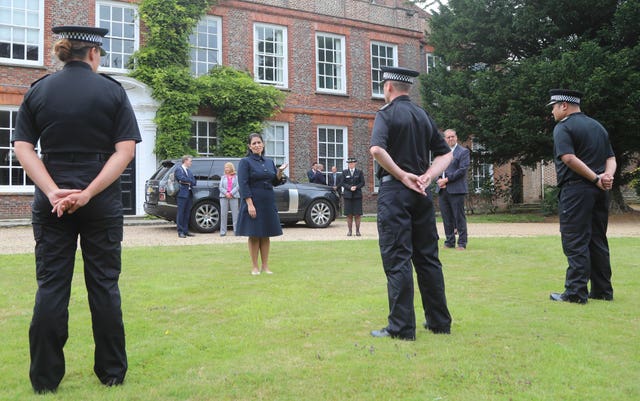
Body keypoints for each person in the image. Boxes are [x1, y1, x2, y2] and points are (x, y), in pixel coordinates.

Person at [11, 25, 141, 393]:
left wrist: (53, 192)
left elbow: (23, 148)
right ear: (94, 54)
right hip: (100, 201)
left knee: (51, 287)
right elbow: (125, 151)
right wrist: (88, 193)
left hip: (51, 201)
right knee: (103, 285)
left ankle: (44, 380)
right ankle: (112, 374)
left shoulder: (38, 90)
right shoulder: (113, 92)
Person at [369, 66, 453, 340]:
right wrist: (429, 175)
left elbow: (377, 149)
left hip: (396, 193)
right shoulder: (423, 115)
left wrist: (402, 174)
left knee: (398, 258)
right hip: (421, 193)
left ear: (389, 87)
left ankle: (402, 327)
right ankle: (439, 322)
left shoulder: (386, 114)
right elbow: (446, 155)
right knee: (428, 258)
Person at [547, 89, 616, 304]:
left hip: (576, 191)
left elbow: (568, 158)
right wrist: (607, 177)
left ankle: (576, 292)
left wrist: (596, 178)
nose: (552, 111)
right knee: (597, 239)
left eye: (553, 106)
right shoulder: (597, 126)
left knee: (575, 239)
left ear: (564, 106)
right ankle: (603, 290)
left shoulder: (563, 127)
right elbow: (611, 158)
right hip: (599, 193)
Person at [236, 133, 288, 275]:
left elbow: (275, 182)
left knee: (266, 234)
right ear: (249, 146)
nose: (257, 145)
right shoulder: (245, 162)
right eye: (254, 143)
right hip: (253, 201)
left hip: (268, 201)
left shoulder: (269, 162)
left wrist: (279, 172)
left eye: (259, 142)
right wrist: (249, 204)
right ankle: (254, 267)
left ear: (263, 144)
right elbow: (243, 184)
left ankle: (265, 266)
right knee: (254, 234)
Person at [436, 129, 470, 250]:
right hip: (442, 189)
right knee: (446, 217)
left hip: (456, 189)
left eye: (452, 136)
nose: (450, 139)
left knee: (458, 216)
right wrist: (439, 180)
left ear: (456, 137)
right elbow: (437, 167)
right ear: (445, 139)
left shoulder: (463, 152)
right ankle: (449, 241)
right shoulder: (442, 153)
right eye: (448, 137)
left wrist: (447, 180)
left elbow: (462, 170)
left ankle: (462, 242)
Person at [341, 157, 365, 236]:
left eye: (352, 163)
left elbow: (362, 183)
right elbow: (342, 183)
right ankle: (350, 231)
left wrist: (356, 187)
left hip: (357, 196)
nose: (350, 165)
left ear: (355, 163)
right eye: (349, 163)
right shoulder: (344, 172)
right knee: (349, 214)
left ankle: (357, 231)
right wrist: (349, 187)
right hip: (348, 196)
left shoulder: (359, 172)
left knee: (357, 214)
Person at [174, 155, 197, 238]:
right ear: (185, 161)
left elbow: (194, 182)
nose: (191, 163)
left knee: (187, 213)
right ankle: (180, 232)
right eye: (190, 161)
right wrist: (187, 181)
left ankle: (185, 230)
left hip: (189, 194)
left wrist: (187, 181)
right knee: (181, 213)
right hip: (181, 194)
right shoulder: (178, 169)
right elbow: (181, 178)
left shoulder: (189, 171)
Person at [218, 162, 240, 236]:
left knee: (235, 214)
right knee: (223, 214)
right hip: (224, 197)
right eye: (225, 167)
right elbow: (220, 187)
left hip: (234, 196)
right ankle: (223, 232)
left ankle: (236, 231)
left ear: (231, 168)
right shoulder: (223, 177)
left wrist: (231, 193)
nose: (226, 169)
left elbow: (237, 186)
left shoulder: (236, 177)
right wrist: (226, 193)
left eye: (227, 167)